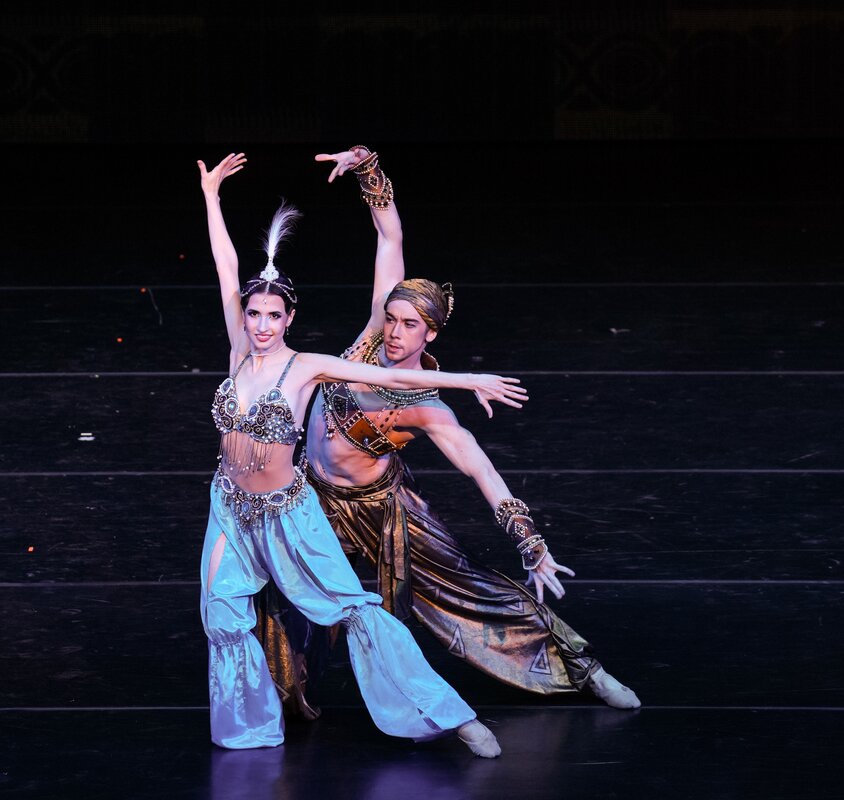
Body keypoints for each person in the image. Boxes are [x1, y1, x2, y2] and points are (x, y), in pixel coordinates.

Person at [257, 146, 641, 719]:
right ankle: (283, 696)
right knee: (280, 587)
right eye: (392, 319)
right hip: (313, 496)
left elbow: (479, 467)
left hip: (382, 509)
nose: (394, 331)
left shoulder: (428, 408)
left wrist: (531, 544)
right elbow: (389, 236)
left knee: (463, 588)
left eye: (410, 325)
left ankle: (583, 668)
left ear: (430, 334)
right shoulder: (368, 340)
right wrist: (367, 168)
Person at [196, 152, 528, 756]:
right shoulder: (238, 353)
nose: (261, 325)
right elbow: (226, 267)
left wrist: (467, 380)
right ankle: (251, 728)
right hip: (229, 508)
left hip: (287, 512)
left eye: (273, 316)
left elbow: (398, 379)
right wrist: (212, 197)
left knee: (352, 608)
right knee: (221, 615)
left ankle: (452, 717)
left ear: (289, 318)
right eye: (254, 313)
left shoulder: (308, 367)